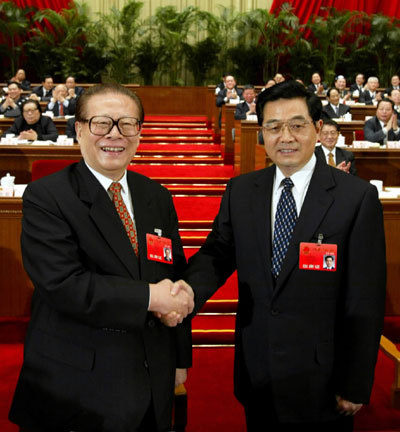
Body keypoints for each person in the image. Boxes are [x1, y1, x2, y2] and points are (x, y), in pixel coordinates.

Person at [178, 80, 386, 431]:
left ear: (318, 128)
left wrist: (355, 381)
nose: (285, 136)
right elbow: (216, 254)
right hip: (257, 370)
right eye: (273, 127)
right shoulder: (242, 190)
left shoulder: (356, 198)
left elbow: (365, 299)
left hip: (322, 378)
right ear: (261, 132)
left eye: (297, 125)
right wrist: (184, 293)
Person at [8, 83, 193, 432]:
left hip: (151, 375)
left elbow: (175, 274)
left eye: (127, 124)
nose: (115, 135)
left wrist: (180, 359)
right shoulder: (48, 196)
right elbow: (62, 284)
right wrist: (151, 297)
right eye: (101, 123)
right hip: (76, 384)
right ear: (79, 129)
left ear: (139, 133)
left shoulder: (157, 196)